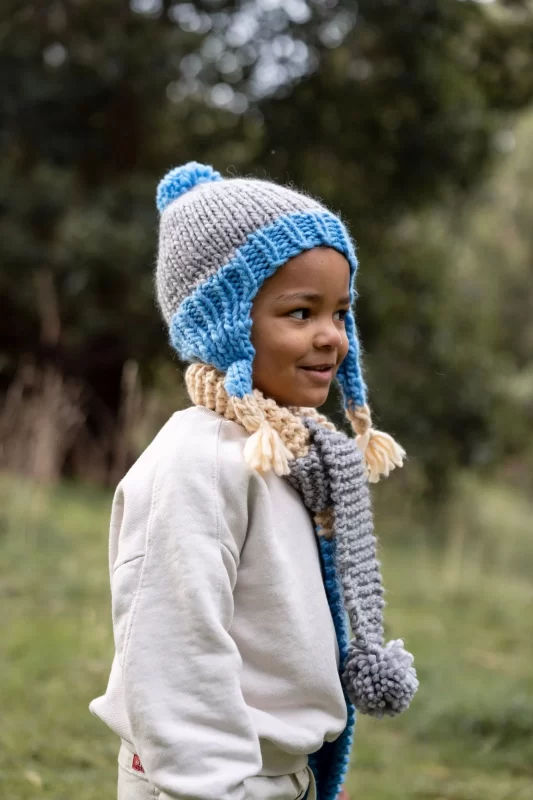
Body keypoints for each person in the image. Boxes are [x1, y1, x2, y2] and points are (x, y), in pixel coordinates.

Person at [90, 162, 419, 800]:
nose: (332, 338)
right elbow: (174, 655)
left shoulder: (297, 453)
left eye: (340, 313)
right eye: (300, 313)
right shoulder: (200, 463)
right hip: (207, 781)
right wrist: (217, 786)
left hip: (279, 773)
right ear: (226, 324)